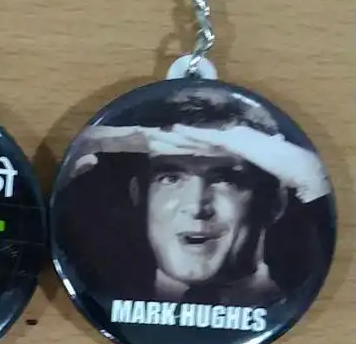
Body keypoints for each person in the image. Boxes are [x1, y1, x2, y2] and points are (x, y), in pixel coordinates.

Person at [67, 85, 331, 305]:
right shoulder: (96, 295)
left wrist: (312, 178)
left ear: (275, 202)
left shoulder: (304, 301)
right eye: (171, 178)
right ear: (138, 195)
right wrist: (77, 156)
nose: (196, 205)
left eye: (225, 180)